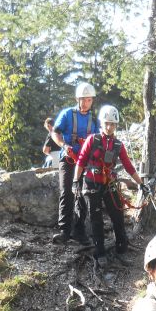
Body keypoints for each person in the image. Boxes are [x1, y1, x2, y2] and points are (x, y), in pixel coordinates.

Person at [73, 105, 149, 267]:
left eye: (112, 124)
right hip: (91, 183)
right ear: (101, 123)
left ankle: (121, 249)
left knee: (118, 216)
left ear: (116, 126)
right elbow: (81, 161)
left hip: (109, 183)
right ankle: (100, 252)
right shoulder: (92, 140)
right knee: (96, 220)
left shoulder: (118, 145)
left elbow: (128, 166)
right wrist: (75, 181)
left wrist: (141, 184)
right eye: (107, 123)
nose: (109, 127)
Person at [51, 82, 99, 245]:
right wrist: (65, 145)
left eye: (89, 100)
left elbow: (97, 140)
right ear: (77, 99)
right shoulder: (67, 114)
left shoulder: (94, 120)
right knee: (67, 191)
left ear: (92, 101)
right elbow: (55, 132)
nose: (86, 103)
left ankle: (79, 231)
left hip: (85, 160)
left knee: (83, 193)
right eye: (83, 100)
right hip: (68, 158)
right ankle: (64, 230)